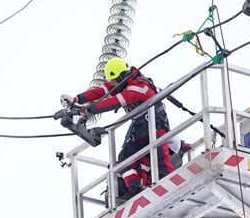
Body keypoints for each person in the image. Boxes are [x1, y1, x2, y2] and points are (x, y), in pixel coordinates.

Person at [60, 57, 175, 200]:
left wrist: (86, 110)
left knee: (161, 162)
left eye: (114, 81)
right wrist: (77, 99)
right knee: (123, 161)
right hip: (140, 130)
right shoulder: (123, 82)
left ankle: (173, 191)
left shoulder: (138, 87)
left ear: (121, 76)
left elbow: (115, 101)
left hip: (156, 129)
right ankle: (134, 189)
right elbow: (101, 91)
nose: (112, 84)